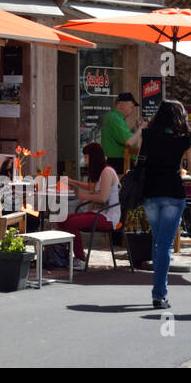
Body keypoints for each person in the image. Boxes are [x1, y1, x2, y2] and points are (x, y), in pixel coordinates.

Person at [138, 100, 191, 309]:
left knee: (157, 242)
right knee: (165, 244)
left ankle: (158, 289)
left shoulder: (149, 135)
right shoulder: (185, 138)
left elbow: (140, 162)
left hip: (150, 193)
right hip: (173, 193)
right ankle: (159, 294)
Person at [57, 142, 120, 270]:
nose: (85, 159)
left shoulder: (107, 172)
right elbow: (91, 187)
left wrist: (84, 196)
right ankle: (70, 254)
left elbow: (103, 198)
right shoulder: (102, 172)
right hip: (98, 213)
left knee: (71, 223)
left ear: (93, 156)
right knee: (62, 219)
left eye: (86, 156)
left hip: (108, 217)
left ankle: (80, 258)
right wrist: (73, 182)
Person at [100, 92, 145, 162]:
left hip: (119, 161)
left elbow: (129, 139)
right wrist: (141, 128)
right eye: (131, 107)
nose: (132, 110)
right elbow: (129, 142)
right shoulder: (114, 118)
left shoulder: (115, 117)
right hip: (119, 162)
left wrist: (138, 129)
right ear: (123, 104)